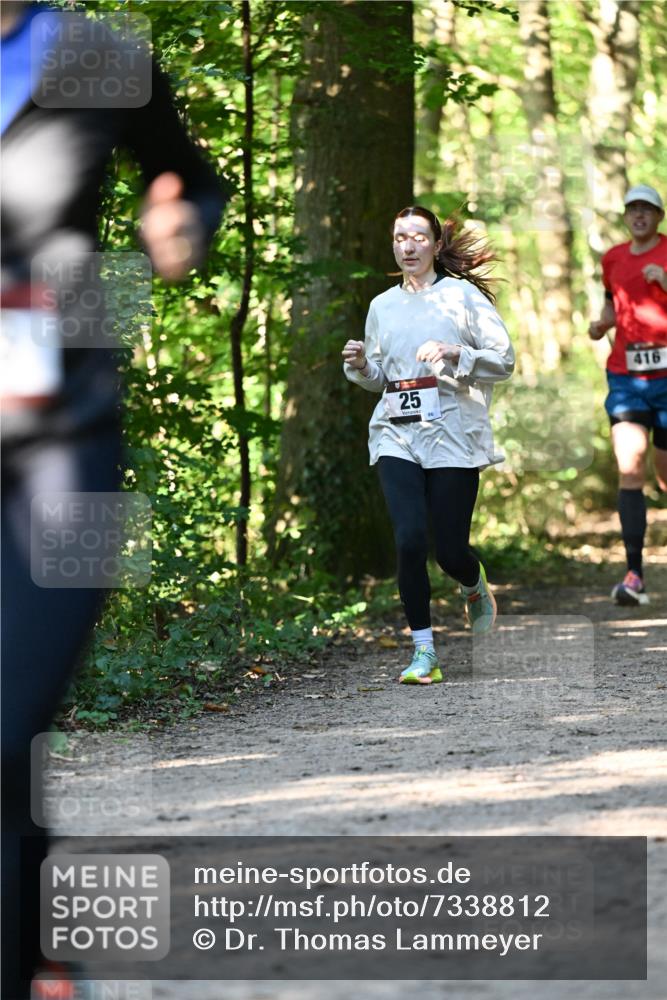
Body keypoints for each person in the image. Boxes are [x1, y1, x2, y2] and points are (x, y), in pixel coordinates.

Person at [0, 4, 229, 996]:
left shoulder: (100, 55)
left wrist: (183, 225)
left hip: (65, 443)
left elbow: (195, 179)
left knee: (6, 724)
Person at [341, 207, 514, 685]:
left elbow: (504, 360)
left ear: (436, 246)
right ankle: (424, 652)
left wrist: (459, 352)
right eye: (400, 237)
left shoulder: (462, 297)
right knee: (409, 539)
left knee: (450, 551)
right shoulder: (382, 306)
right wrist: (361, 365)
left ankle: (472, 582)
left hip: (453, 434)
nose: (409, 245)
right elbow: (380, 377)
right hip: (396, 433)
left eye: (419, 237)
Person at [589, 184, 667, 606]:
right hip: (625, 376)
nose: (639, 215)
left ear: (658, 216)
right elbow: (611, 302)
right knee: (631, 468)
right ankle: (634, 574)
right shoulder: (613, 258)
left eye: (647, 209)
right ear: (625, 216)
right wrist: (602, 324)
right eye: (632, 209)